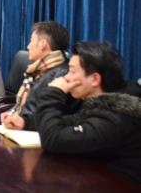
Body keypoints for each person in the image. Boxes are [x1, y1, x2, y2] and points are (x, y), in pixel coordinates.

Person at [35, 41, 141, 183]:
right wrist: (25, 122)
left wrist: (53, 93)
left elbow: (53, 139)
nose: (66, 77)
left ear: (95, 79)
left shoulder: (116, 117)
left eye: (72, 71)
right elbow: (66, 123)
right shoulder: (98, 104)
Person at [1, 21, 70, 130]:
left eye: (31, 41)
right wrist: (11, 114)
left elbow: (50, 118)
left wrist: (23, 122)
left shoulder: (60, 75)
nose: (28, 46)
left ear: (43, 44)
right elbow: (27, 108)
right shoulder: (36, 71)